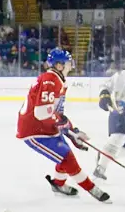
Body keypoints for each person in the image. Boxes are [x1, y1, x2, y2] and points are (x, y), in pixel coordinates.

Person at [16, 49, 110, 203]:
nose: (71, 66)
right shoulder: (50, 80)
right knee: (67, 158)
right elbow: (41, 113)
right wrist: (65, 127)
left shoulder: (58, 80)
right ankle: (92, 189)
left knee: (65, 153)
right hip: (34, 131)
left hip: (45, 127)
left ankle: (58, 184)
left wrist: (73, 131)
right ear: (59, 65)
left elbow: (57, 114)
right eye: (68, 63)